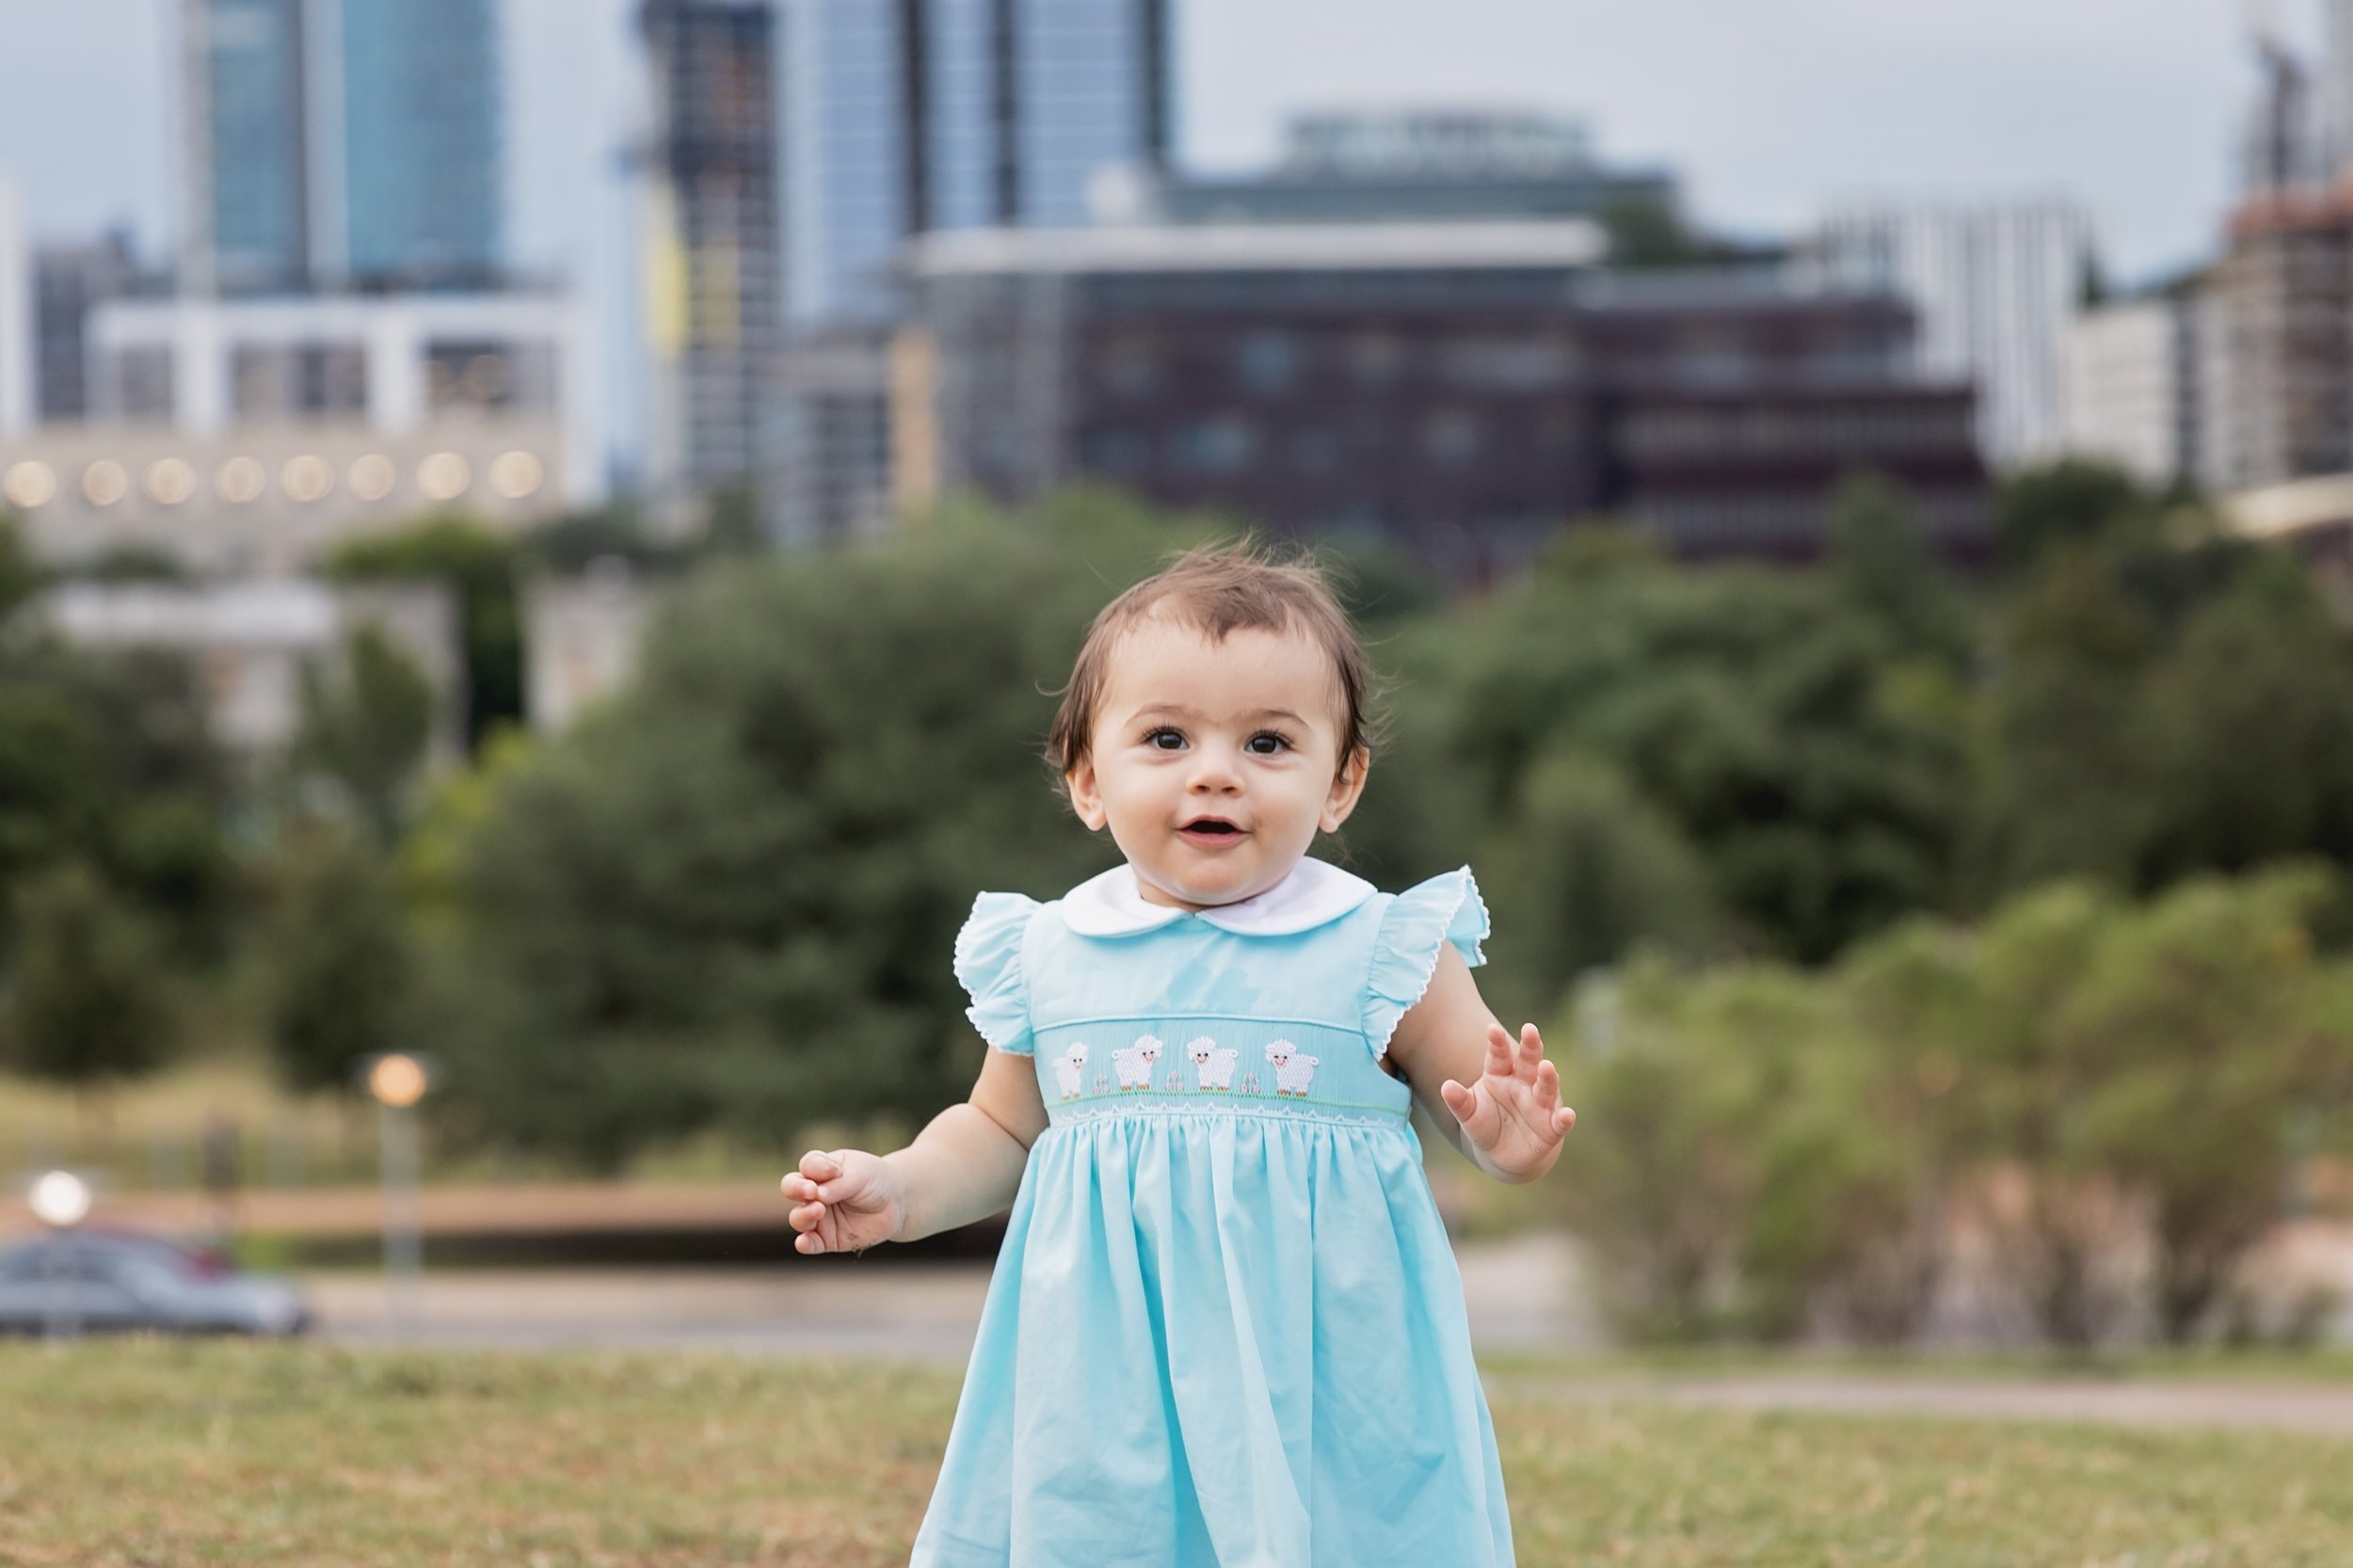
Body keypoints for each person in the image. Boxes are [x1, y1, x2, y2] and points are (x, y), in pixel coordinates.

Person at [782, 539, 1577, 1567]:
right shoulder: (1052, 953)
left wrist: (1511, 1143)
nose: (1215, 772)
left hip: (1327, 1382)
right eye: (1165, 737)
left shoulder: (1384, 950)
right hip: (1107, 1383)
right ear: (1087, 780)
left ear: (1340, 783)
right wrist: (897, 1189)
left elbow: (1479, 1102)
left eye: (1267, 743)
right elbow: (995, 1128)